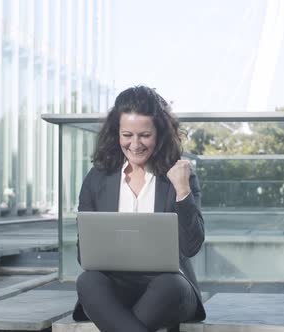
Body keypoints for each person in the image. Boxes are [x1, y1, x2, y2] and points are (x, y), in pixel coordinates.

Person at [72, 86, 206, 332]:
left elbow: (191, 246)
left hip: (168, 289)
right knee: (88, 282)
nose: (135, 144)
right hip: (115, 289)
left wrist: (182, 191)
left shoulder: (179, 175)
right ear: (116, 134)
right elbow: (85, 256)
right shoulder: (97, 178)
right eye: (127, 135)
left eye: (144, 135)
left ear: (160, 134)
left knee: (170, 285)